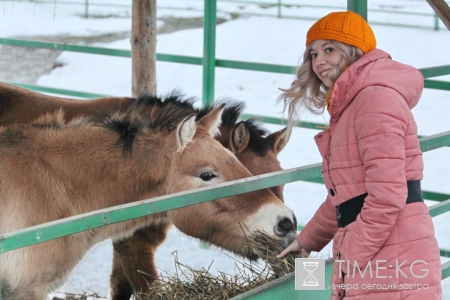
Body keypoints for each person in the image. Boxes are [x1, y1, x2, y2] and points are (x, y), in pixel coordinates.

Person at [276, 11, 442, 299]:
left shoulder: (374, 99)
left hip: (392, 256)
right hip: (380, 249)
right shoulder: (353, 105)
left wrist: (349, 257)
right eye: (313, 54)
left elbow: (387, 196)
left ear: (354, 51)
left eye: (330, 49)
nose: (319, 62)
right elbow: (347, 195)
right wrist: (307, 242)